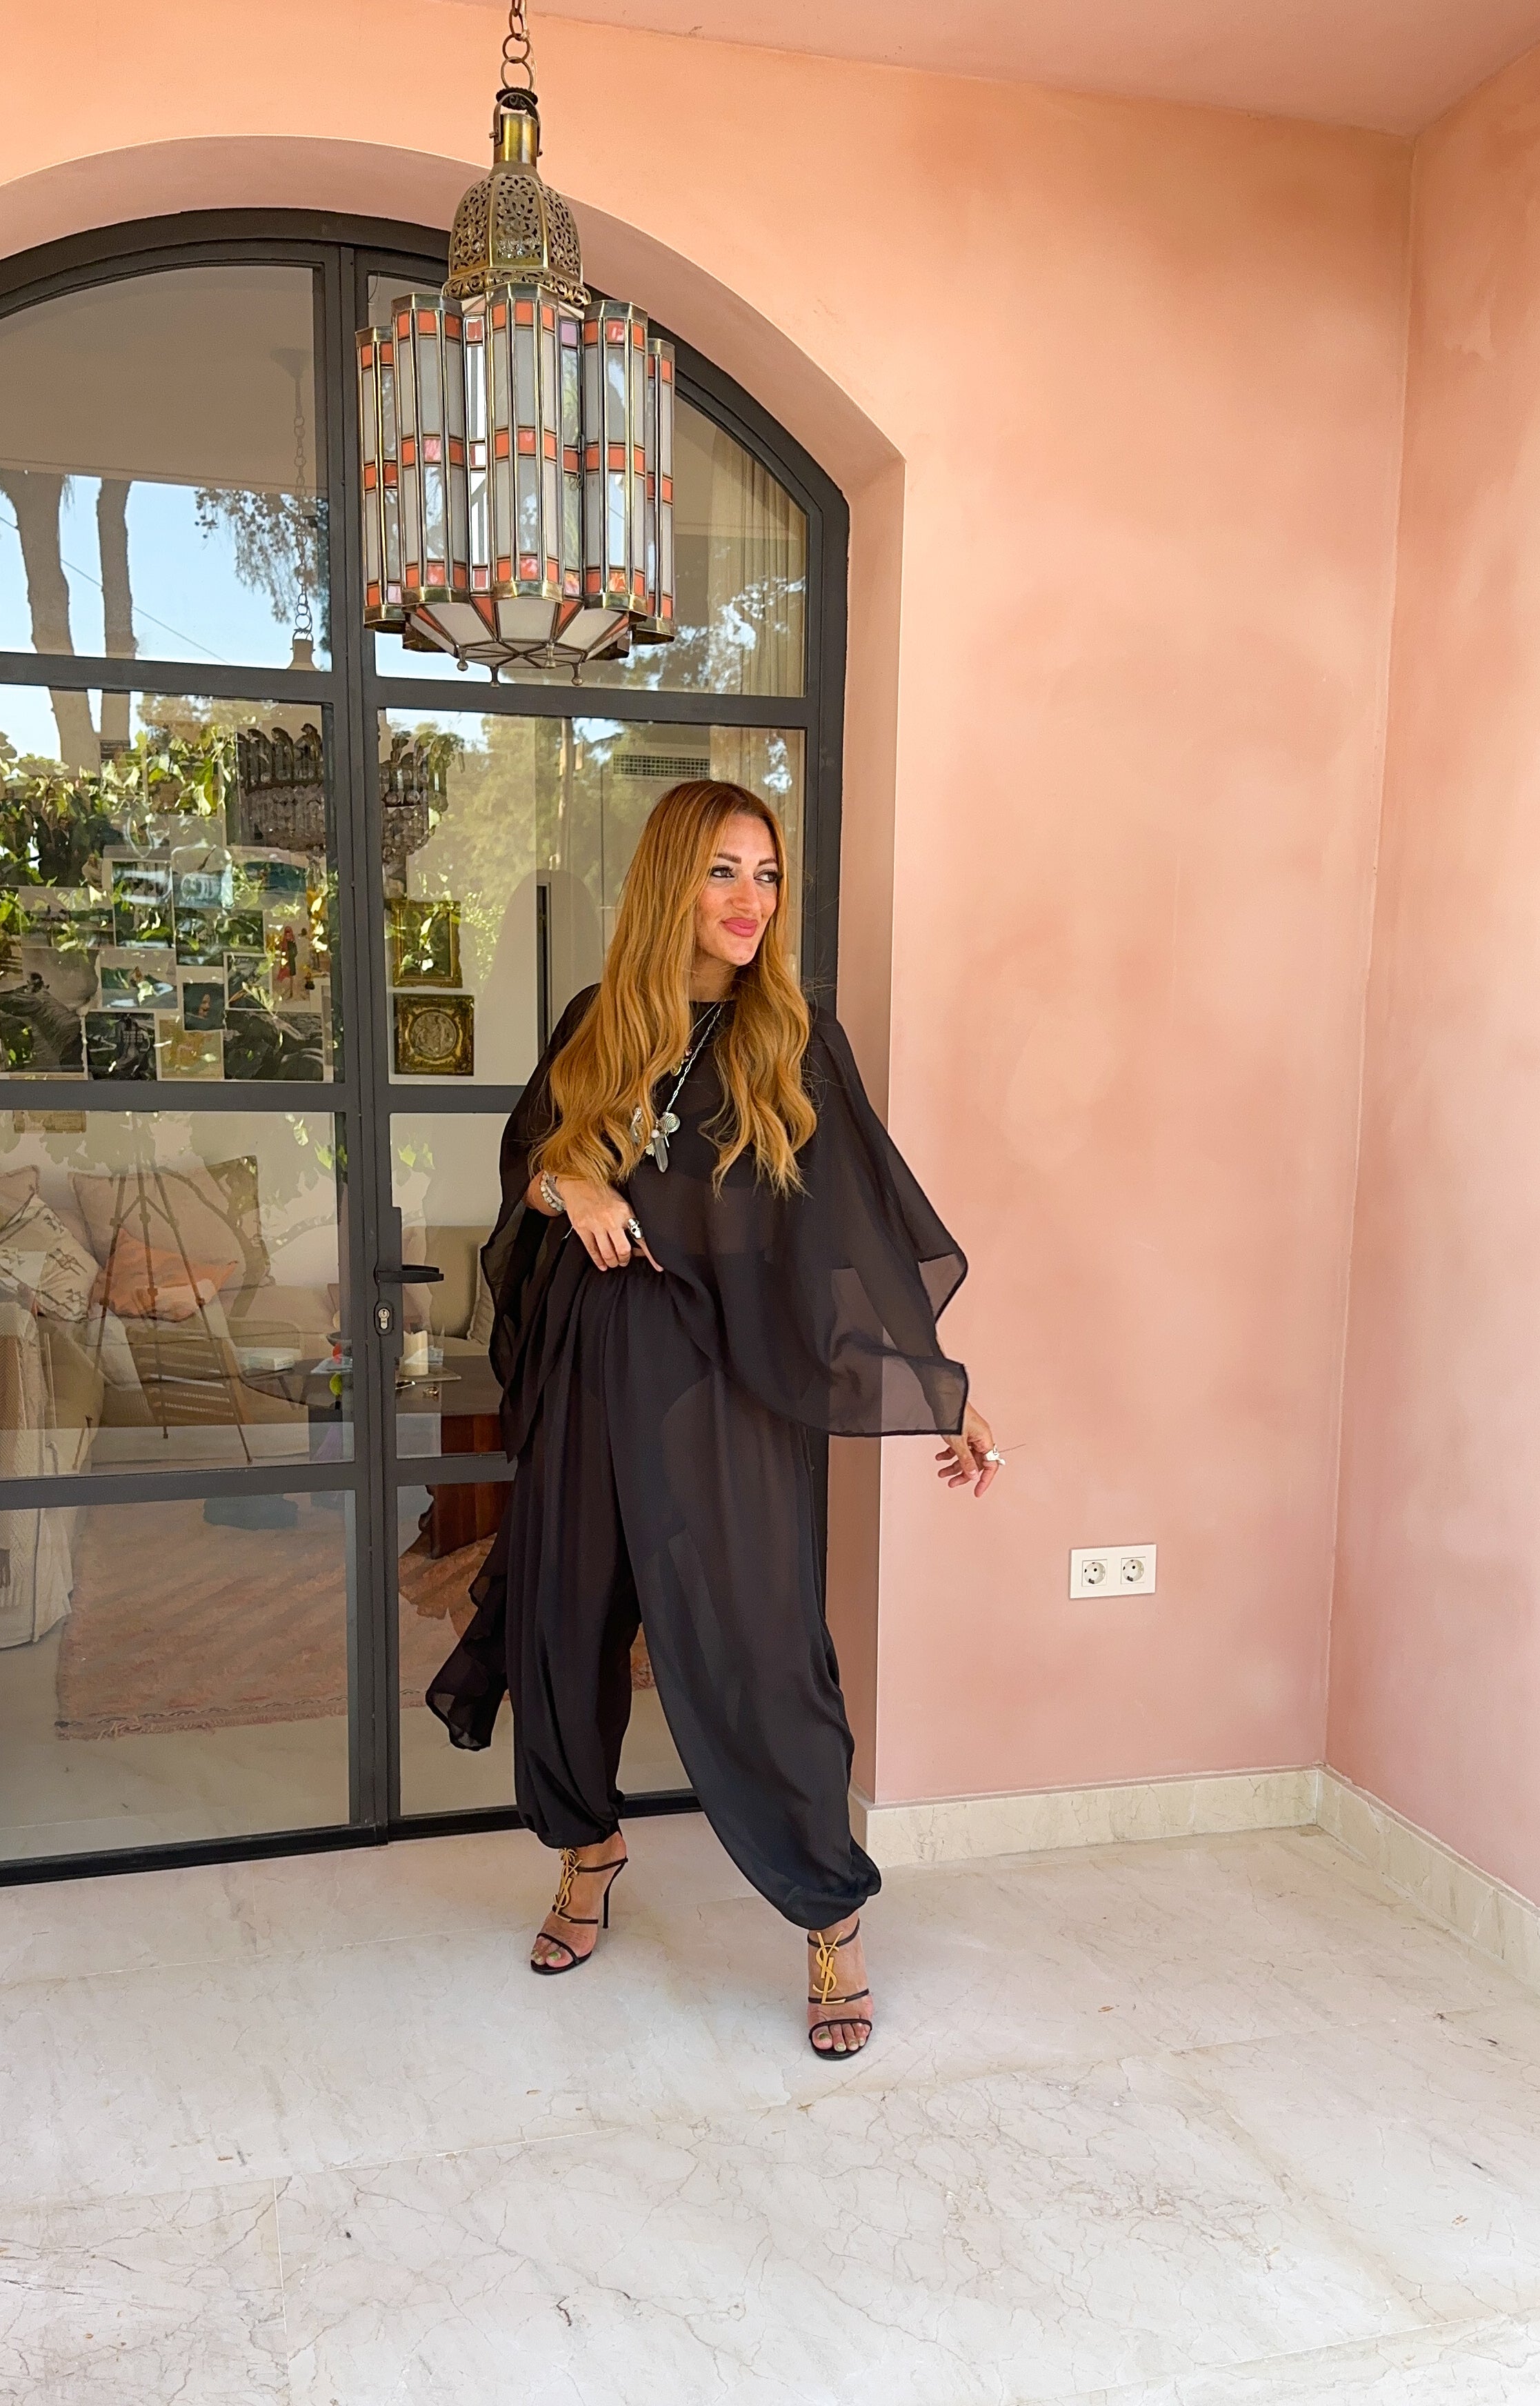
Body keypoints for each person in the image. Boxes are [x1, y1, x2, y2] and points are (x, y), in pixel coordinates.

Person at [428, 779, 999, 2058]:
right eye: (724, 872)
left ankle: (830, 1920)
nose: (751, 902)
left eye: (768, 875)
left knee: (761, 1647)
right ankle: (588, 1853)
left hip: (728, 1390)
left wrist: (945, 1389)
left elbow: (856, 1242)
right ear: (669, 884)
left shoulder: (793, 1043)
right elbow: (533, 1155)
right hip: (591, 1366)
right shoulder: (596, 1026)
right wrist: (570, 1175)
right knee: (565, 1624)